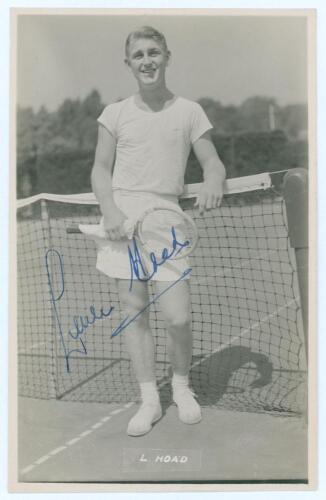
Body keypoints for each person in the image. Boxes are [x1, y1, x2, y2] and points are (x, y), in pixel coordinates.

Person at [91, 26, 226, 436]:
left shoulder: (190, 111)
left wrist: (214, 180)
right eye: (138, 55)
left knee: (178, 318)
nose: (147, 61)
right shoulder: (113, 114)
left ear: (167, 56)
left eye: (154, 53)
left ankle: (181, 387)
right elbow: (100, 169)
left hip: (169, 222)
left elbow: (213, 162)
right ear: (128, 64)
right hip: (124, 222)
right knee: (134, 314)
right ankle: (150, 399)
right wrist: (111, 211)